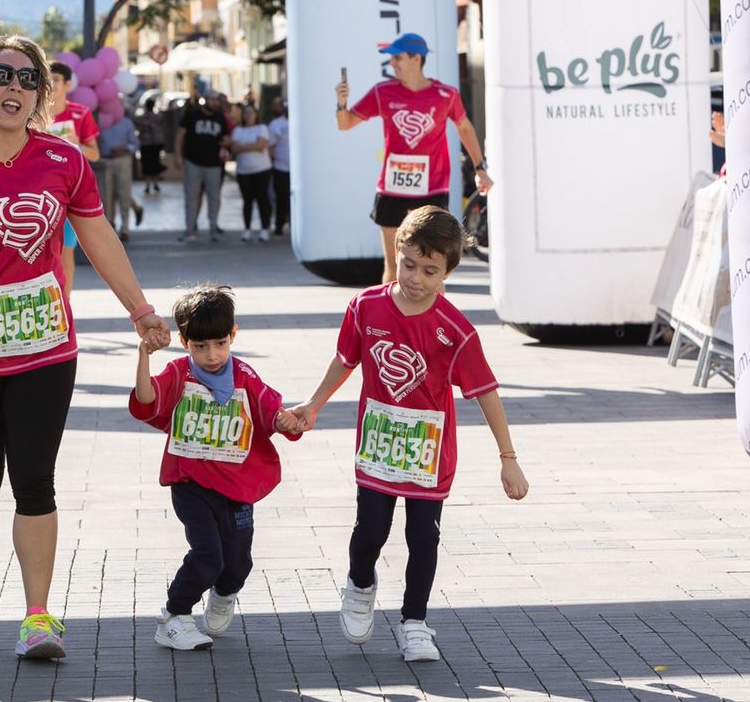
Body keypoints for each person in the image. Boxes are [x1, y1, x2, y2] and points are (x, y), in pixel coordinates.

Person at [0, 34, 170, 661]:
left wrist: (141, 310)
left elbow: (98, 238)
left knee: (35, 479)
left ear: (41, 95)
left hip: (45, 348)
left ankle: (39, 616)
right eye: (0, 76)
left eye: (27, 79)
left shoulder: (63, 161)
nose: (14, 88)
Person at [288, 206, 528, 662]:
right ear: (396, 252)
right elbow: (345, 360)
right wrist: (312, 404)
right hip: (378, 446)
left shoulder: (455, 330)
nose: (416, 277)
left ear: (448, 273)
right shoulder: (365, 306)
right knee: (370, 531)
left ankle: (414, 622)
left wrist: (507, 456)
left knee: (423, 538)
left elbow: (486, 392)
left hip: (429, 455)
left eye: (430, 270)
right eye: (409, 264)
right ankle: (360, 586)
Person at [130, 285, 300, 650]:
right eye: (200, 346)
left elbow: (268, 407)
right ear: (184, 341)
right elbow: (147, 400)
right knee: (208, 554)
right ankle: (174, 615)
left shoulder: (243, 374)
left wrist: (283, 420)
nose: (212, 355)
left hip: (235, 487)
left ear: (233, 335)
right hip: (191, 483)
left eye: (220, 344)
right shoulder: (178, 374)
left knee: (237, 562)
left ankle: (224, 593)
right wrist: (143, 355)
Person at [336, 32, 492, 284]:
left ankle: (431, 324)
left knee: (434, 265)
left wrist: (480, 169)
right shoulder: (382, 92)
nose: (392, 63)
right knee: (394, 264)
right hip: (393, 187)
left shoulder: (446, 94)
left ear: (416, 58)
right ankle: (391, 322)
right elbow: (345, 124)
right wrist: (341, 103)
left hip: (432, 188)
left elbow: (464, 128)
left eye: (397, 57)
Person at [47, 61, 101, 293]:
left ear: (67, 84)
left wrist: (75, 145)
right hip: (39, 191)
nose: (51, 84)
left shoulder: (80, 113)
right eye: (48, 79)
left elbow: (95, 154)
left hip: (70, 192)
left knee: (66, 249)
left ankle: (65, 304)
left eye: (56, 79)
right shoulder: (32, 113)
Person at [175, 93, 230, 242]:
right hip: (194, 162)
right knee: (191, 196)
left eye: (216, 100)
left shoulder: (220, 118)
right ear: (205, 100)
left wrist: (226, 142)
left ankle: (213, 227)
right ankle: (189, 228)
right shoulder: (192, 114)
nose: (214, 103)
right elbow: (180, 135)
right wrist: (178, 156)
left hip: (214, 163)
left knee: (214, 197)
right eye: (212, 99)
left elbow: (225, 137)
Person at [230, 103, 273, 242]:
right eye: (246, 113)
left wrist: (243, 146)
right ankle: (247, 228)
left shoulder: (262, 128)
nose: (248, 116)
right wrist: (251, 146)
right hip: (243, 171)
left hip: (261, 170)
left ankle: (264, 228)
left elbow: (261, 146)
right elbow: (234, 148)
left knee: (263, 199)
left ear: (256, 115)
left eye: (251, 113)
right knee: (247, 201)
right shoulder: (238, 130)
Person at [97, 114, 141, 241]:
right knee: (107, 194)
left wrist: (124, 148)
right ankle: (110, 225)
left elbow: (135, 144)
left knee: (124, 193)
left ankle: (125, 228)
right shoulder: (101, 121)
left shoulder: (126, 123)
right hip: (105, 160)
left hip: (122, 159)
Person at [267, 99, 290, 236]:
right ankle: (279, 224)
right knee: (281, 197)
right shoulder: (275, 125)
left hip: (295, 169)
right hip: (281, 167)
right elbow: (271, 146)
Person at [134, 98, 166, 194]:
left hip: (146, 144)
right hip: (155, 144)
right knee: (155, 163)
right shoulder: (159, 117)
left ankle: (148, 185)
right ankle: (155, 183)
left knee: (146, 164)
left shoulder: (141, 118)